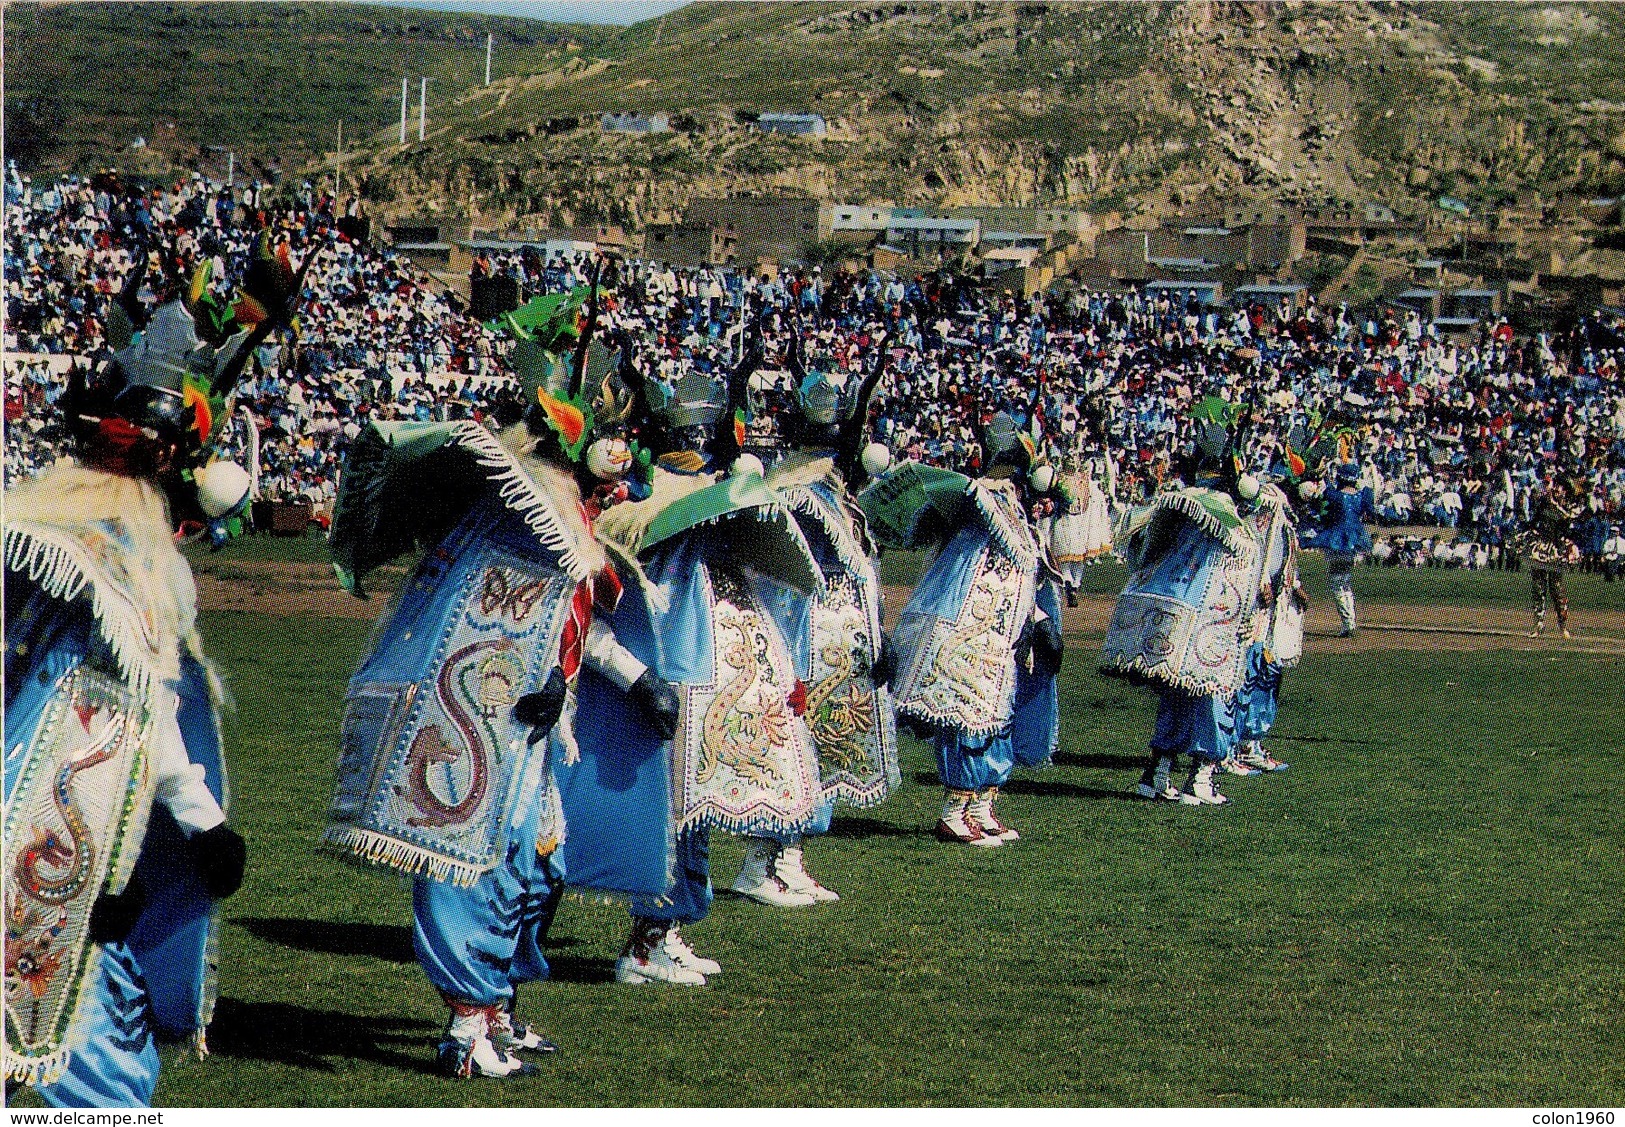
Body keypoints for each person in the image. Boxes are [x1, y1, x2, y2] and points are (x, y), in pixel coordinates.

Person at [324, 278, 666, 1076]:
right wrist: (535, 680)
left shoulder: (562, 513)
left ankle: (498, 1006)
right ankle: (467, 1026)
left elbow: (571, 618)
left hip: (538, 725)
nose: (626, 451)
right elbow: (496, 620)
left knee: (536, 865)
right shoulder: (521, 513)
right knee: (482, 861)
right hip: (496, 722)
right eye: (613, 435)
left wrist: (630, 676)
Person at [5, 279, 258, 1105]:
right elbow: (132, 710)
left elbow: (146, 710)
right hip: (42, 845)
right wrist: (197, 820)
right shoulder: (102, 562)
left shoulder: (68, 545)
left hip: (67, 844)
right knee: (102, 1080)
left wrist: (199, 820)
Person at [587, 321, 825, 975]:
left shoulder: (709, 501)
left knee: (691, 812)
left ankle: (665, 931)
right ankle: (645, 939)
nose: (696, 441)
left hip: (706, 675)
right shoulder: (641, 504)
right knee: (665, 810)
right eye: (685, 432)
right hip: (664, 668)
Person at [730, 327, 899, 904]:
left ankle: (792, 857)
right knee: (791, 749)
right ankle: (758, 863)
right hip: (801, 641)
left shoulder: (832, 497)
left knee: (818, 754)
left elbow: (860, 574)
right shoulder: (800, 496)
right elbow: (787, 581)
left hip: (837, 646)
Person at [872, 410, 1052, 845]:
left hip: (998, 630)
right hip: (971, 626)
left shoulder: (1006, 508)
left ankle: (981, 806)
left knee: (992, 714)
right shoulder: (979, 502)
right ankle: (955, 811)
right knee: (966, 714)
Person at [1103, 401, 1265, 807]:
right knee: (1210, 699)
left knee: (1176, 698)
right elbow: (1236, 576)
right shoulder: (1224, 516)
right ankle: (1201, 777)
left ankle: (1156, 773)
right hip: (1210, 619)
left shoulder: (1181, 503)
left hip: (1177, 610)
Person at [1305, 461, 1376, 636]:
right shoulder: (1363, 495)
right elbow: (1371, 512)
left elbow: (1322, 513)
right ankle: (1349, 622)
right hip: (1354, 538)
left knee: (1338, 582)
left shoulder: (1333, 495)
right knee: (1344, 581)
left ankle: (1348, 623)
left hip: (1336, 539)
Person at [1513, 476, 1584, 638]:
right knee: (1538, 586)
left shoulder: (1569, 507)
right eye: (1556, 485)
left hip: (1556, 549)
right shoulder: (1545, 503)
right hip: (1541, 546)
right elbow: (1535, 521)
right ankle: (1538, 624)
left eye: (1559, 486)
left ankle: (1563, 625)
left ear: (1565, 491)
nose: (1556, 488)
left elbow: (1567, 524)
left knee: (1556, 588)